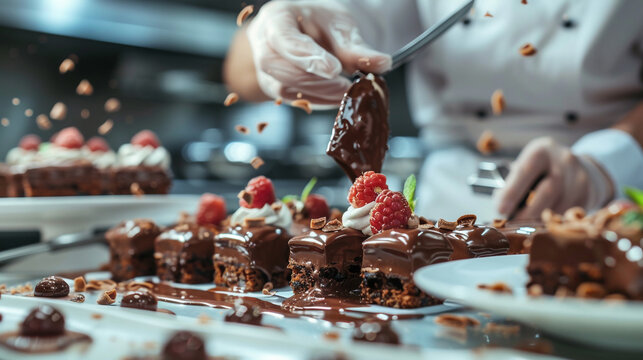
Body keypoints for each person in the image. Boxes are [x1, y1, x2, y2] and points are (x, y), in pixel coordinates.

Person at [224, 0, 643, 222]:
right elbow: (239, 70)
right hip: (441, 220)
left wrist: (606, 162)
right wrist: (279, 26)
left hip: (607, 205)